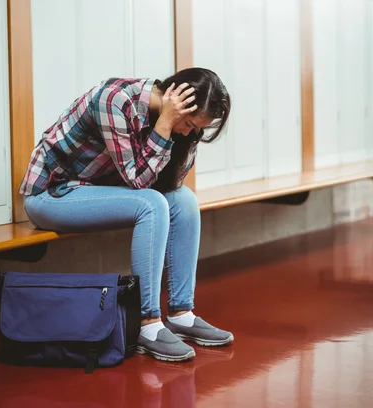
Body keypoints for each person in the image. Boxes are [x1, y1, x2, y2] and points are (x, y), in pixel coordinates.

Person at [20, 67, 233, 362]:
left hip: (96, 192)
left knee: (184, 200)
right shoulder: (115, 100)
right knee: (151, 203)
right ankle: (148, 323)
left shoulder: (183, 128)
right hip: (52, 195)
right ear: (174, 99)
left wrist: (185, 136)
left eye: (199, 128)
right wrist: (167, 124)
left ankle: (182, 314)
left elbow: (172, 183)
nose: (190, 131)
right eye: (190, 123)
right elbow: (139, 182)